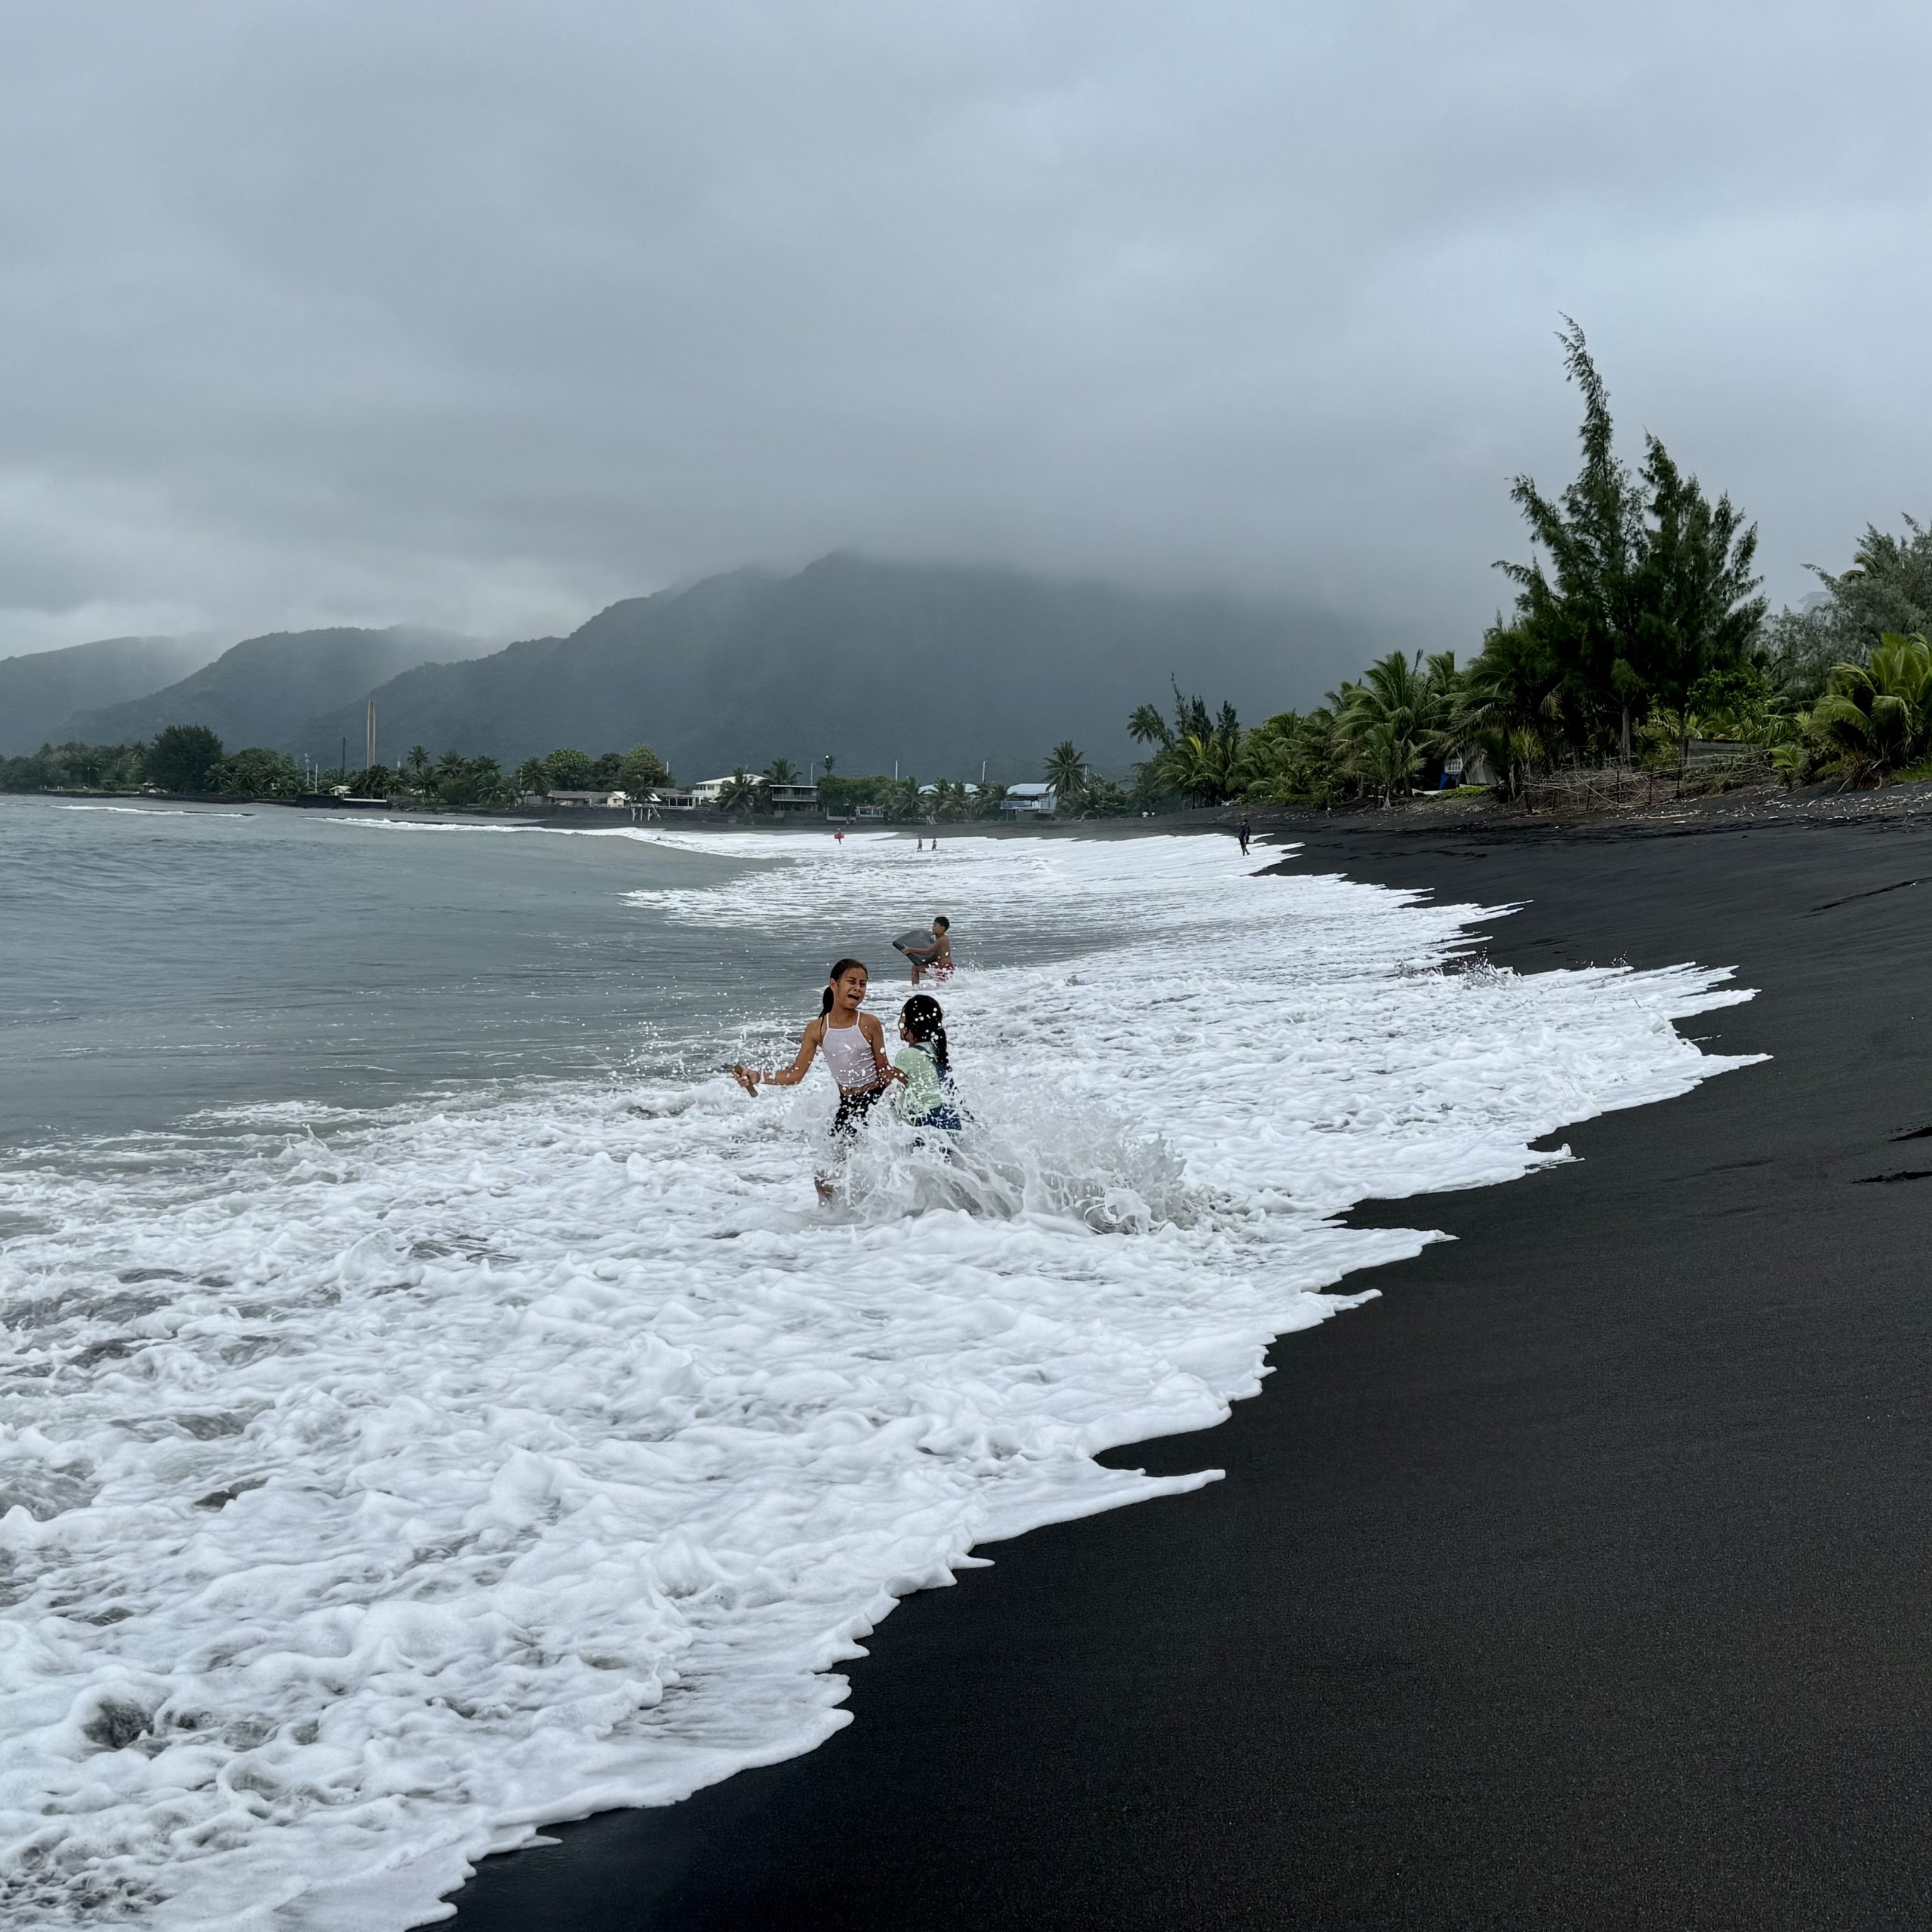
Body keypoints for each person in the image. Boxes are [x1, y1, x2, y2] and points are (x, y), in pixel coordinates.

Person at [733, 958, 903, 1201]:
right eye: (852, 982)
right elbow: (795, 1074)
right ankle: (834, 1224)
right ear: (833, 985)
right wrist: (757, 1076)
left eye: (863, 984)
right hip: (848, 1106)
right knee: (824, 1178)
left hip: (878, 1102)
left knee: (878, 1168)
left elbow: (884, 1070)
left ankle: (889, 1219)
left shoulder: (868, 1023)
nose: (858, 989)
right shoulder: (817, 1029)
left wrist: (909, 1081)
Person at [894, 994, 961, 1132]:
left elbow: (892, 1090)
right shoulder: (936, 1050)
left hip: (926, 1124)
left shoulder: (907, 1055)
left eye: (902, 1016)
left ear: (909, 1023)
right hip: (951, 1120)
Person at [900, 915, 952, 983]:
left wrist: (910, 950)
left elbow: (928, 951)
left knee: (915, 968)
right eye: (933, 925)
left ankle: (915, 988)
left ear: (942, 928)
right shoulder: (938, 939)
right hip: (944, 968)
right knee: (942, 986)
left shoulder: (942, 940)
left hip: (944, 969)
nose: (933, 927)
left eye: (935, 925)